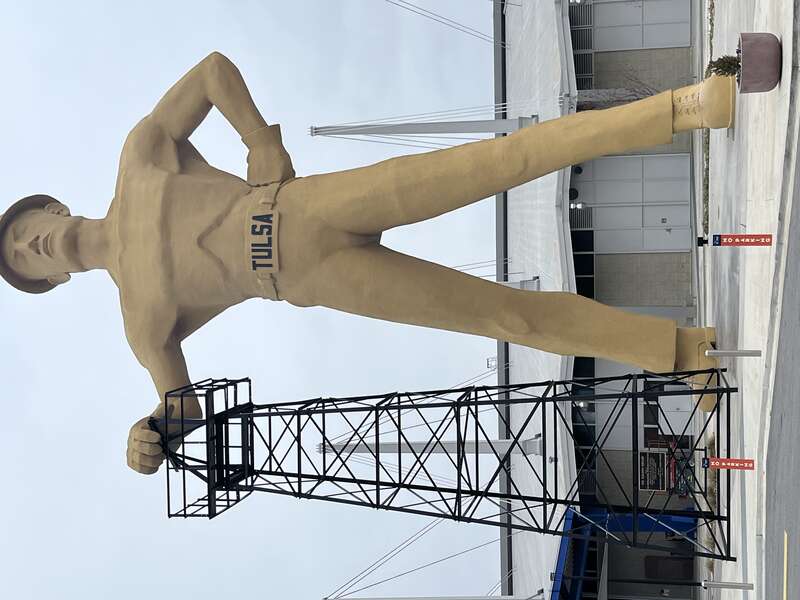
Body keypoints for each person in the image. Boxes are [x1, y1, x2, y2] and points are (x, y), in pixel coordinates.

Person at [0, 52, 734, 474]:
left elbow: (212, 73)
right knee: (509, 316)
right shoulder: (141, 323)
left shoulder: (140, 158)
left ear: (48, 208)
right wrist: (152, 435)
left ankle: (687, 105)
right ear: (50, 281)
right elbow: (183, 407)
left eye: (21, 231)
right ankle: (679, 351)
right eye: (19, 262)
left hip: (304, 206)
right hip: (306, 280)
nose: (27, 247)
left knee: (503, 158)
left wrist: (260, 140)